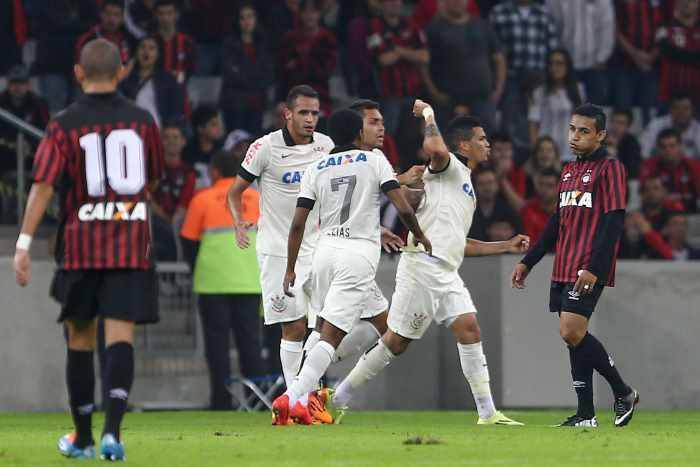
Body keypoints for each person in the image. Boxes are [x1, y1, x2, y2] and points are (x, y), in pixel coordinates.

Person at [330, 101, 528, 426]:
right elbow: (434, 146)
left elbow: (457, 244)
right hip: (422, 265)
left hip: (445, 269)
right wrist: (429, 113)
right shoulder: (448, 167)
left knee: (469, 329)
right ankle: (339, 396)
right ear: (463, 145)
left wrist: (505, 245)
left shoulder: (464, 182)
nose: (487, 144)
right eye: (481, 139)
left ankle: (487, 413)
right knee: (396, 341)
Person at [13, 38, 164, 460]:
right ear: (121, 72)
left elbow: (42, 185)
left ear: (78, 74)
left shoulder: (63, 124)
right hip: (131, 245)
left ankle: (82, 436)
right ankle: (113, 433)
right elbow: (153, 181)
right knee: (121, 335)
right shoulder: (143, 122)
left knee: (79, 337)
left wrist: (23, 244)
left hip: (81, 246)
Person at [270, 108, 431, 425]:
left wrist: (290, 268)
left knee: (344, 329)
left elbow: (298, 224)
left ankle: (307, 398)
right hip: (356, 255)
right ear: (359, 134)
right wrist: (421, 235)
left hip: (324, 253)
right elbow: (400, 204)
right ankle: (294, 398)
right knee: (330, 335)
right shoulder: (374, 161)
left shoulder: (316, 167)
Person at [512, 104, 639, 428]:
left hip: (587, 267)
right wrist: (529, 261)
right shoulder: (568, 170)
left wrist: (594, 267)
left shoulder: (610, 169)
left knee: (571, 329)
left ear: (601, 135)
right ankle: (585, 414)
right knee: (573, 337)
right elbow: (557, 222)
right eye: (572, 129)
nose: (575, 136)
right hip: (563, 267)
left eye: (584, 131)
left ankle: (623, 392)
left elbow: (613, 221)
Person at [226, 85, 334, 394]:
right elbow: (234, 192)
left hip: (317, 247)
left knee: (325, 326)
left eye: (314, 113)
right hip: (276, 250)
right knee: (294, 325)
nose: (310, 119)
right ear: (287, 114)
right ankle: (296, 398)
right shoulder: (265, 148)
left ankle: (306, 393)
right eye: (303, 113)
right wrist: (238, 223)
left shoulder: (326, 146)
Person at [180, 149, 265, 410]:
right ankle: (257, 401)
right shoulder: (258, 198)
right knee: (251, 346)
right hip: (250, 281)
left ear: (214, 171)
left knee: (217, 347)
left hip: (212, 282)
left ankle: (221, 401)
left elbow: (188, 241)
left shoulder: (202, 199)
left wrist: (199, 266)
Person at [423, 0, 506, 132]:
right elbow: (423, 62)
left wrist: (499, 89)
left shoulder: (482, 25)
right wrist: (433, 92)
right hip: (448, 100)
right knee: (448, 143)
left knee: (484, 141)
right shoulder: (434, 28)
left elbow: (498, 58)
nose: (457, 2)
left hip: (482, 98)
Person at [489, 0, 559, 150]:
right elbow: (492, 49)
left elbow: (553, 49)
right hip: (509, 77)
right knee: (509, 120)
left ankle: (536, 155)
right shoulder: (499, 12)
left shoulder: (544, 14)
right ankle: (511, 158)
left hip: (538, 78)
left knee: (537, 121)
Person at [367, 0, 430, 135]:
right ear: (381, 4)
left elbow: (424, 56)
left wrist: (398, 50)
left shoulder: (411, 24)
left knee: (415, 135)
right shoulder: (374, 26)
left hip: (414, 92)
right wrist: (410, 51)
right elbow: (384, 59)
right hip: (389, 95)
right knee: (388, 135)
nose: (395, 3)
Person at [545, 0, 614, 105]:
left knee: (593, 110)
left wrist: (601, 58)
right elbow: (553, 27)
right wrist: (559, 59)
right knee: (568, 107)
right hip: (567, 65)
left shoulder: (602, 2)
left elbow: (607, 29)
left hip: (594, 66)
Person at [220, 3, 275, 136]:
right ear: (237, 21)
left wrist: (250, 78)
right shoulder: (229, 44)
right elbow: (230, 73)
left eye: (250, 17)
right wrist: (253, 79)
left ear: (255, 19)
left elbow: (269, 73)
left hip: (257, 103)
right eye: (242, 18)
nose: (246, 21)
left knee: (254, 142)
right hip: (235, 104)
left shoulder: (263, 43)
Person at [276, 0, 338, 117]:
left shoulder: (327, 39)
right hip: (294, 97)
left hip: (320, 98)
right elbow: (283, 72)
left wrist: (299, 63)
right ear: (300, 14)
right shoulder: (290, 39)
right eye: (306, 12)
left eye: (313, 12)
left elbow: (326, 71)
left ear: (319, 14)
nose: (309, 16)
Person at [609, 0, 664, 125]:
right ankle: (620, 142)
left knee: (651, 111)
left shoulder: (658, 3)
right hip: (624, 64)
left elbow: (664, 28)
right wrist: (635, 55)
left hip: (651, 65)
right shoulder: (619, 2)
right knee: (623, 109)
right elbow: (614, 29)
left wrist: (652, 55)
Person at [528, 48, 585, 161]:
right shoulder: (539, 92)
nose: (554, 68)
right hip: (547, 151)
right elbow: (533, 124)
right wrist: (535, 150)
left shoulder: (579, 90)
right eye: (551, 64)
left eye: (559, 64)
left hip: (570, 150)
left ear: (567, 66)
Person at [119, 35, 187, 128]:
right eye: (142, 47)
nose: (146, 52)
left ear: (158, 54)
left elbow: (175, 109)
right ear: (136, 52)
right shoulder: (128, 78)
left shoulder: (167, 80)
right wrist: (124, 75)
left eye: (151, 48)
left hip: (158, 130)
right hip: (131, 130)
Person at [151, 122, 196, 260]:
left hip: (180, 222)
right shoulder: (152, 169)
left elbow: (184, 205)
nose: (171, 141)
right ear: (160, 142)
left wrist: (173, 222)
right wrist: (166, 220)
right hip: (156, 221)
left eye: (175, 137)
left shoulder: (189, 172)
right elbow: (148, 199)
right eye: (166, 137)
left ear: (183, 142)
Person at [640, 128, 700, 213]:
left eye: (672, 146)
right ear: (658, 148)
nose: (668, 150)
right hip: (659, 216)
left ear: (680, 146)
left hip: (690, 215)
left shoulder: (694, 166)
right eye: (663, 147)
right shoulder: (649, 166)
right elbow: (644, 196)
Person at [656, 0, 700, 108]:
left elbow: (673, 54)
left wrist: (678, 53)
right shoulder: (665, 26)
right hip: (669, 95)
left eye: (691, 1)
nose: (687, 4)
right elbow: (665, 51)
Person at [469, 166, 523, 241]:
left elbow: (520, 238)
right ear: (474, 187)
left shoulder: (508, 210)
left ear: (497, 185)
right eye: (481, 184)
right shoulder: (468, 211)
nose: (487, 188)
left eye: (490, 183)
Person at [640, 93, 700, 160]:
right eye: (676, 108)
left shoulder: (698, 129)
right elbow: (643, 153)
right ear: (670, 109)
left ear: (693, 110)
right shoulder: (656, 125)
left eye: (685, 108)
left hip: (691, 168)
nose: (681, 112)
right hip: (660, 167)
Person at [75, 0, 135, 65]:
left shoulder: (128, 39)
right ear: (101, 14)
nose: (111, 19)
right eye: (108, 13)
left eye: (116, 15)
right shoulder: (89, 38)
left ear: (122, 18)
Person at [153, 0, 196, 84]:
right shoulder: (149, 42)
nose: (165, 17)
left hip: (179, 91)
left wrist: (175, 79)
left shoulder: (187, 42)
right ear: (155, 15)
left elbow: (191, 70)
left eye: (169, 13)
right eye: (161, 13)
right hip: (154, 91)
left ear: (176, 14)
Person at [184, 105, 225, 188]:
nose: (219, 128)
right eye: (213, 124)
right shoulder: (187, 152)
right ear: (200, 129)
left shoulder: (222, 151)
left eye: (218, 124)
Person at [520, 168, 559, 245]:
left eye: (549, 186)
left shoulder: (567, 210)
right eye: (541, 185)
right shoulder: (528, 209)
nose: (544, 189)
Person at [607, 108, 642, 179]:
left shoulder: (632, 144)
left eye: (621, 123)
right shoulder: (600, 139)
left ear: (628, 126)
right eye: (613, 122)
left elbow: (632, 171)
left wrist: (615, 149)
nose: (616, 126)